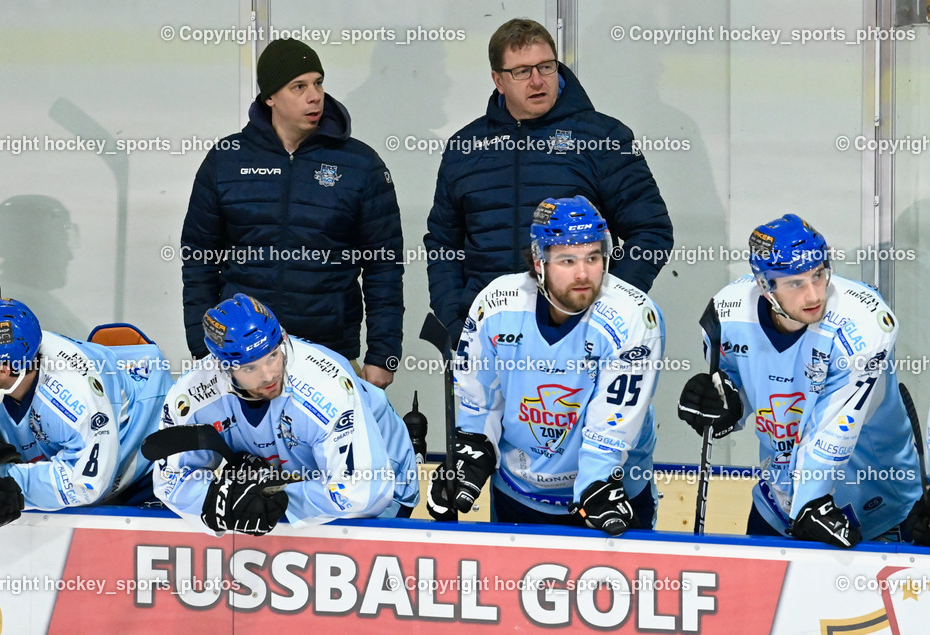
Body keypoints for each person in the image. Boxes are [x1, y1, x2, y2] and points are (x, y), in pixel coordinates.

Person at [677, 214, 924, 548]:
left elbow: (835, 429)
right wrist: (722, 402)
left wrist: (810, 502)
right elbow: (736, 385)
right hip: (777, 503)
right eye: (795, 283)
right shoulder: (727, 315)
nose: (813, 295)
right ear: (765, 285)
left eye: (819, 275)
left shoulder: (862, 325)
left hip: (878, 505)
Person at [425, 18, 673, 345]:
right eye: (522, 71)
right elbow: (443, 243)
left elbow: (651, 232)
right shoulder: (465, 147)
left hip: (579, 334)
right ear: (498, 80)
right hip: (490, 336)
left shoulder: (603, 138)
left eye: (546, 67)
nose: (537, 81)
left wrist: (603, 305)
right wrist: (458, 320)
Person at [426, 196, 664, 534]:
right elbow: (480, 403)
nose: (584, 273)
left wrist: (596, 483)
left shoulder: (634, 316)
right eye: (567, 260)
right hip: (519, 492)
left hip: (610, 491)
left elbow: (610, 428)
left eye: (593, 257)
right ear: (539, 262)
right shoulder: (497, 305)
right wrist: (470, 455)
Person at [181, 38, 403, 388]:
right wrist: (202, 343)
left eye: (318, 83)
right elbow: (199, 259)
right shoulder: (226, 161)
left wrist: (382, 355)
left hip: (330, 353)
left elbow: (384, 267)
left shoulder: (361, 165)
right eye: (298, 86)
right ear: (270, 97)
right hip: (243, 355)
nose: (314, 96)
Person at [153, 294, 419, 536]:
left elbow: (364, 492)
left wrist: (268, 497)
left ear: (283, 339)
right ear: (222, 368)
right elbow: (169, 481)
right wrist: (221, 502)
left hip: (382, 483)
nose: (268, 375)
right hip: (301, 482)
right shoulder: (192, 394)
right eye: (249, 369)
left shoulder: (324, 386)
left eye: (272, 356)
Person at [0, 298, 173, 535]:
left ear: (4, 371)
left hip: (138, 435)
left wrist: (2, 483)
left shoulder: (74, 398)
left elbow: (85, 485)